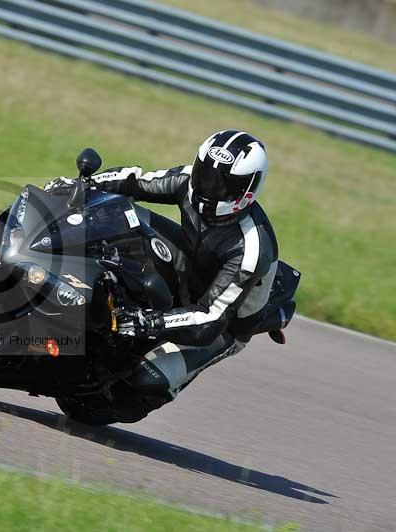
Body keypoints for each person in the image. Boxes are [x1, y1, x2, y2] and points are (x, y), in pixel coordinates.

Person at [47, 130, 279, 420]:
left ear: (247, 191)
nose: (208, 186)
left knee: (150, 378)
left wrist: (151, 322)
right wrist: (81, 185)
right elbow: (135, 181)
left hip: (222, 323)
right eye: (205, 174)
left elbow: (210, 318)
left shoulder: (251, 247)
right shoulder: (187, 181)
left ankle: (125, 389)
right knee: (121, 219)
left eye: (221, 184)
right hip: (192, 263)